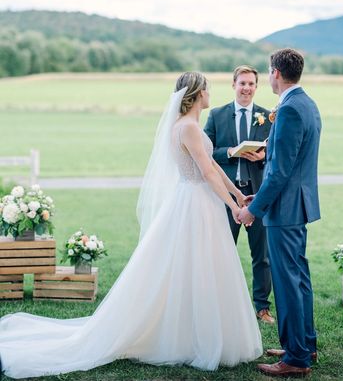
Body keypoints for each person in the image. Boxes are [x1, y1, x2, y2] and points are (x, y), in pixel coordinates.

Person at [0, 72, 262, 379]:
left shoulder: (186, 126)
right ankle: (192, 336)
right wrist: (233, 207)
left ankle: (194, 331)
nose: (210, 94)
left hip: (199, 201)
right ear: (196, 93)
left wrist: (238, 194)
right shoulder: (188, 127)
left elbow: (215, 166)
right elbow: (205, 171)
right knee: (195, 267)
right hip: (195, 203)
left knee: (200, 268)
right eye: (207, 89)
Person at [239, 49, 321, 377]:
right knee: (299, 279)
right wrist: (259, 194)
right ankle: (304, 345)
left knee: (287, 282)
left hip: (284, 210)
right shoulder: (307, 103)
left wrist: (254, 210)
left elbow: (280, 170)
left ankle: (295, 359)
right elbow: (289, 165)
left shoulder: (288, 109)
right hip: (295, 204)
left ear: (275, 72)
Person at [204, 66, 274, 324]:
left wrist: (264, 155)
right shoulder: (217, 114)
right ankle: (220, 304)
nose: (246, 88)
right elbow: (206, 153)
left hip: (258, 194)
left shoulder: (268, 117)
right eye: (242, 83)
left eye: (251, 84)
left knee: (262, 255)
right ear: (233, 84)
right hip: (227, 195)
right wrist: (231, 152)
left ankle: (262, 307)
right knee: (223, 251)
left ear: (257, 87)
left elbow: (275, 155)